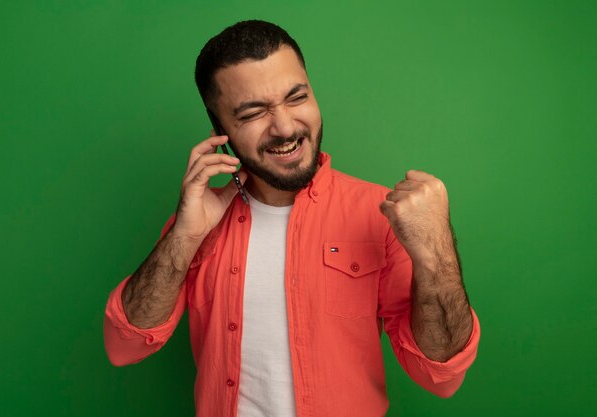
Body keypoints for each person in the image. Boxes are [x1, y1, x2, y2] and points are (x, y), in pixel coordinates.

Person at [103, 20, 480, 417]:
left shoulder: (379, 215)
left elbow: (441, 376)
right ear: (221, 132)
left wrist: (436, 250)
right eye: (252, 113)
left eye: (296, 97)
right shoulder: (197, 222)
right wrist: (184, 235)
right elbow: (122, 347)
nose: (284, 127)